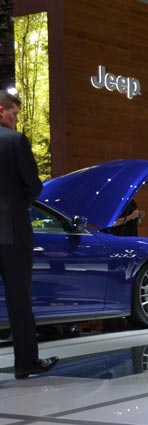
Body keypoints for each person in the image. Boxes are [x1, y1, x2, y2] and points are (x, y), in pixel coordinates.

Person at [0, 91, 58, 379]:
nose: (16, 119)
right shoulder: (14, 141)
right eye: (15, 114)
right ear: (1, 110)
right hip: (12, 233)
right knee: (19, 299)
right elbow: (34, 187)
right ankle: (25, 363)